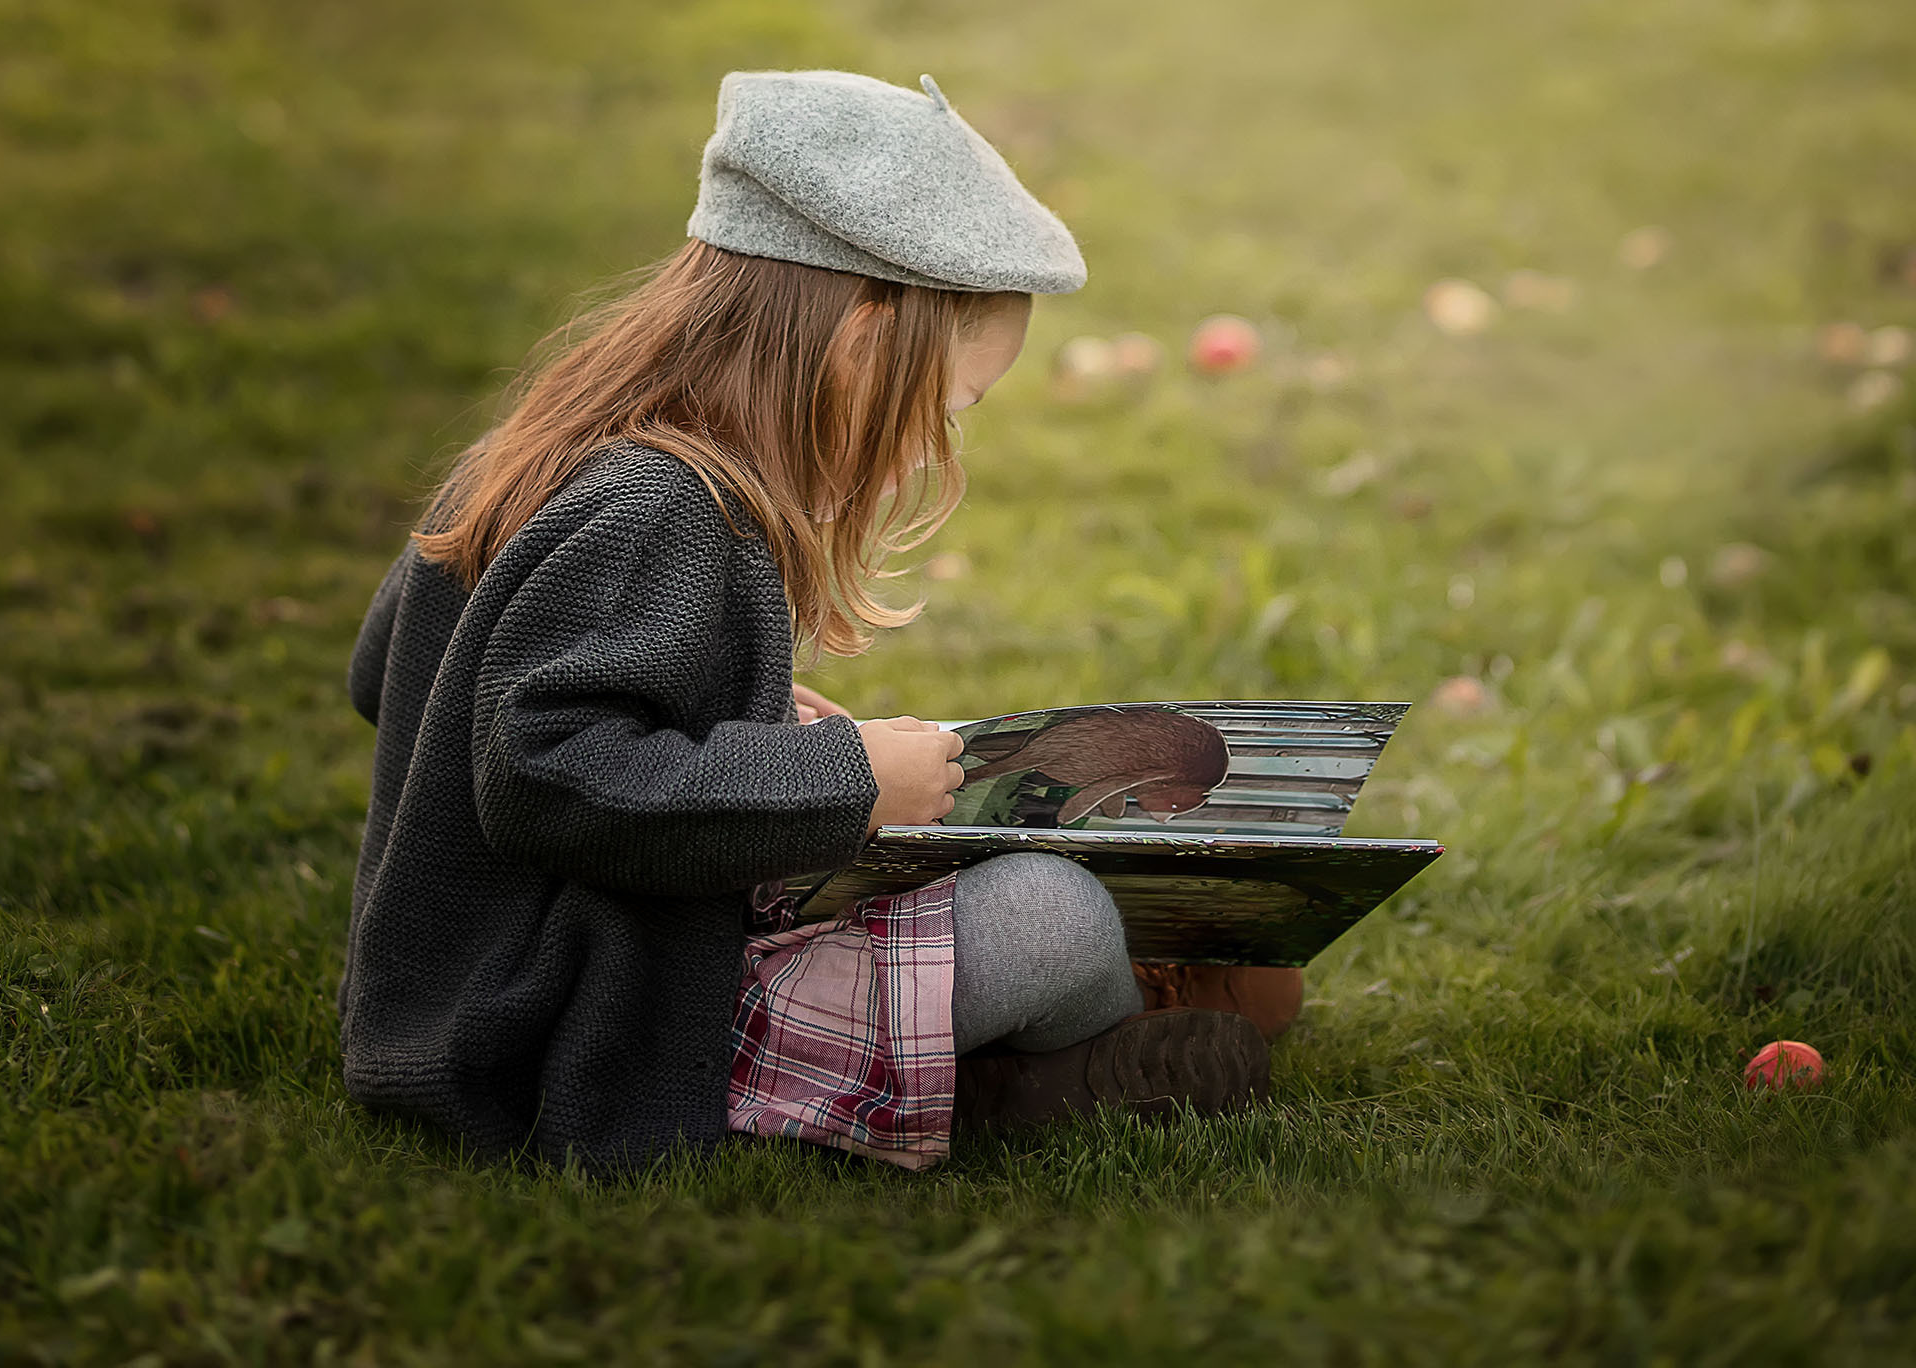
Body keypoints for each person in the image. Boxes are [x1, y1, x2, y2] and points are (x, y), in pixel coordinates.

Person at [338, 67, 1275, 1173]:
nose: (938, 446)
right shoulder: (661, 510)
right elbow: (548, 774)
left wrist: (745, 713)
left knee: (1041, 898)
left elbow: (394, 671)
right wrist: (845, 781)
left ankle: (1046, 1051)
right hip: (585, 1032)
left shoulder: (560, 454)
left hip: (549, 976)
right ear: (861, 346)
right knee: (1049, 913)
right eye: (952, 405)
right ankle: (1054, 1061)